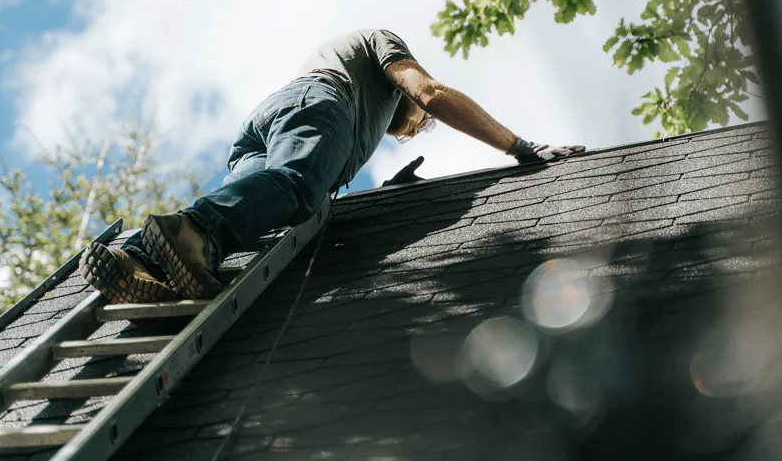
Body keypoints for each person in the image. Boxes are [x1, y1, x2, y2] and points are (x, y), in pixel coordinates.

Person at [79, 29, 584, 304]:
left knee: (252, 209)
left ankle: (139, 259)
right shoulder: (384, 49)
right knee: (298, 188)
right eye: (411, 127)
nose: (404, 132)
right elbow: (430, 91)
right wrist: (519, 146)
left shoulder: (347, 83)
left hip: (268, 121)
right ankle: (193, 231)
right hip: (319, 105)